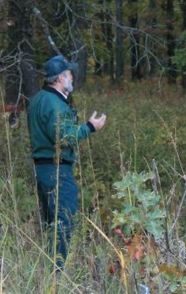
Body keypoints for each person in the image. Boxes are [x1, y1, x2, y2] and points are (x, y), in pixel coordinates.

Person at [28, 55, 107, 269]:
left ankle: (50, 271)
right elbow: (64, 138)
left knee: (51, 223)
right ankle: (57, 274)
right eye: (69, 74)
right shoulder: (55, 104)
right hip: (57, 170)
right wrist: (90, 127)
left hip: (43, 169)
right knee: (64, 221)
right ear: (61, 78)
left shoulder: (38, 99)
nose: (72, 77)